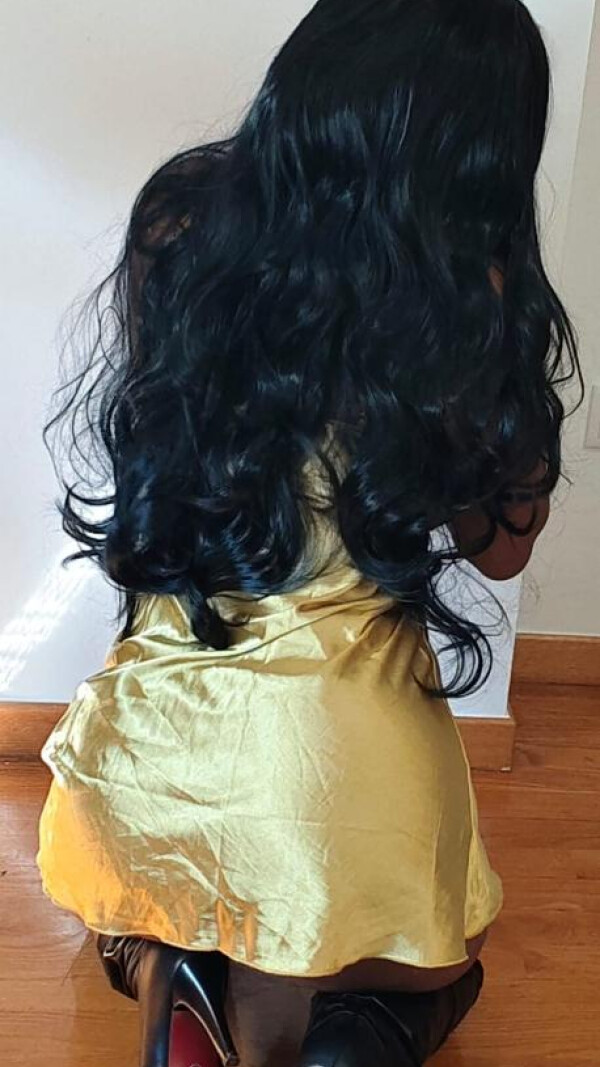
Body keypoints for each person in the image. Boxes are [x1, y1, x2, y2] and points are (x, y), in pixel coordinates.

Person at [36, 1, 581, 1064]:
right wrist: (489, 355)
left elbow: (162, 444)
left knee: (133, 915)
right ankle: (345, 1043)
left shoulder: (180, 221)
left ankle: (177, 979)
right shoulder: (468, 300)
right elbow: (502, 546)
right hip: (339, 764)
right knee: (448, 955)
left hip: (153, 740)